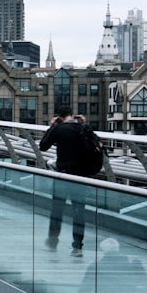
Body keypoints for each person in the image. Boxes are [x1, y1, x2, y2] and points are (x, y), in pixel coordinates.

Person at [39, 105, 91, 257]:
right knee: (78, 211)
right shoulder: (82, 128)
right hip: (81, 177)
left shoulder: (59, 129)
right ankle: (77, 246)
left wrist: (52, 127)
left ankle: (53, 242)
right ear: (73, 115)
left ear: (59, 117)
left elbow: (43, 146)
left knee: (57, 210)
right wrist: (83, 124)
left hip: (63, 175)